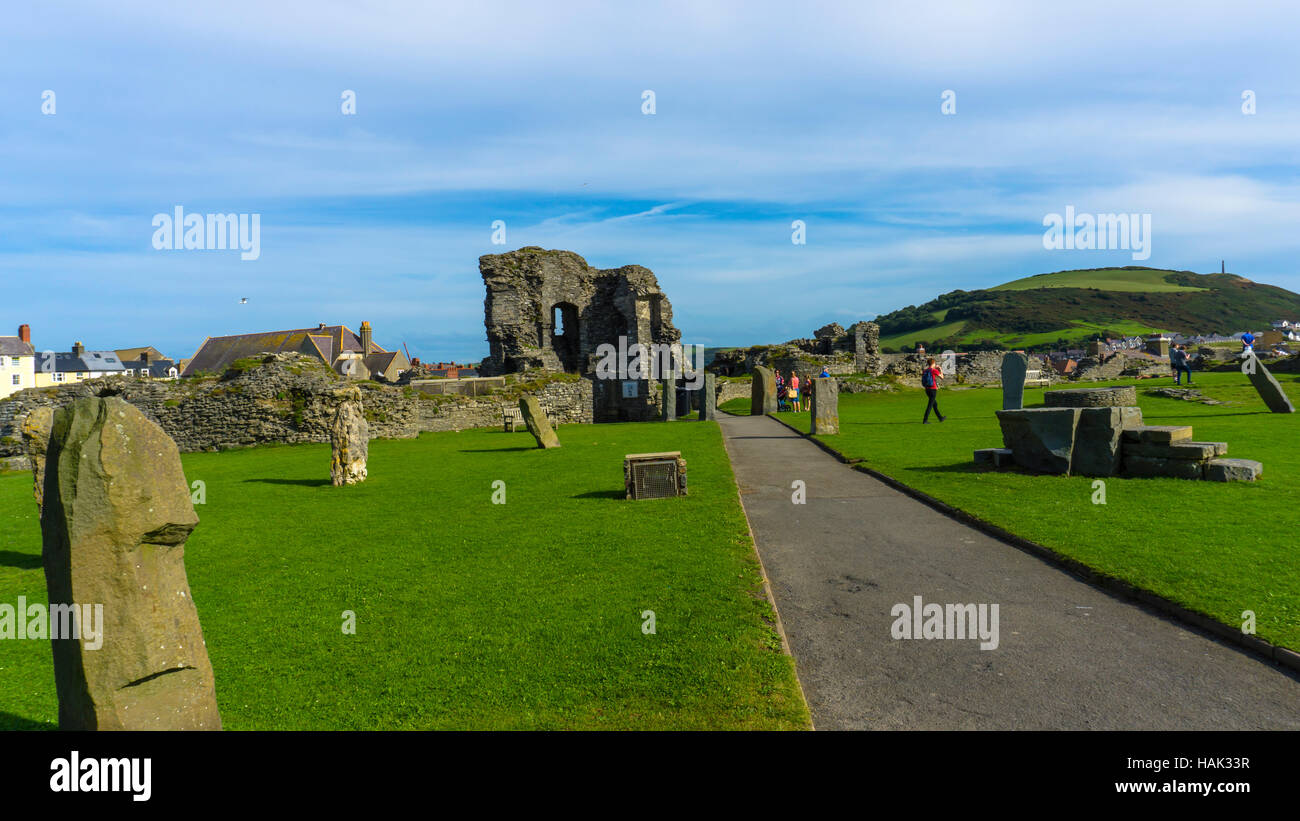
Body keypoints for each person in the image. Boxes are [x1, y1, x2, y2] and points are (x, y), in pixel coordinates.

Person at [921, 357, 945, 423]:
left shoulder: (925, 370)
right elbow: (942, 377)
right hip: (933, 389)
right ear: (933, 363)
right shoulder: (933, 370)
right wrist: (940, 369)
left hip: (927, 389)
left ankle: (940, 418)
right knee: (930, 405)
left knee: (935, 404)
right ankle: (925, 420)